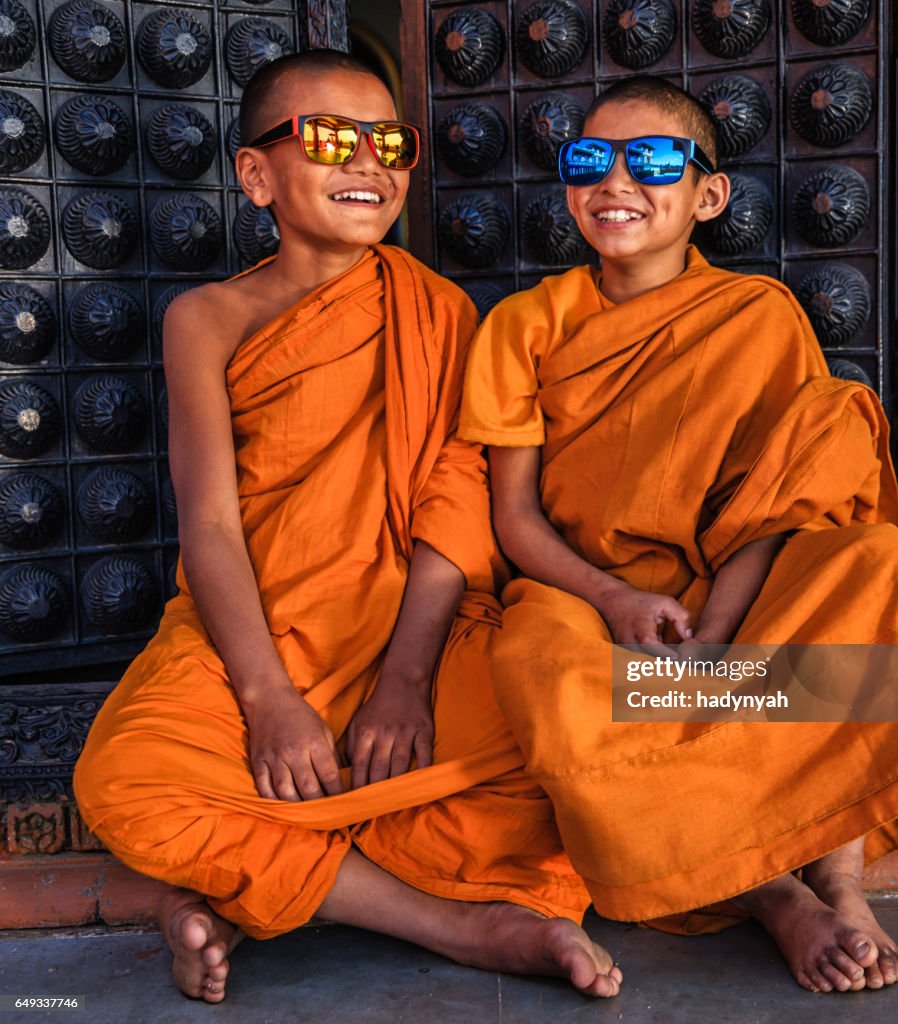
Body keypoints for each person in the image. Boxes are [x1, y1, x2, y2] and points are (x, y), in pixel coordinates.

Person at [73, 50, 622, 1004]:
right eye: (331, 138)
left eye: (389, 142)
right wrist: (268, 698)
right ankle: (455, 923)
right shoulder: (208, 318)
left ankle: (228, 894)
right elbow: (207, 521)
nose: (367, 162)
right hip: (252, 630)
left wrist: (407, 677)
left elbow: (457, 500)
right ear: (256, 175)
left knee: (564, 740)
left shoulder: (442, 312)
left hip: (409, 628)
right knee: (126, 779)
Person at [458, 76, 898, 995]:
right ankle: (771, 894)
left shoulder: (758, 316)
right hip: (585, 597)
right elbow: (514, 519)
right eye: (590, 160)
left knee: (881, 563)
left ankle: (840, 876)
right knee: (544, 672)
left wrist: (717, 635)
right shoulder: (524, 326)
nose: (616, 181)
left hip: (730, 594)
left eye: (653, 160)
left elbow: (781, 497)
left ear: (707, 196)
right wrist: (615, 597)